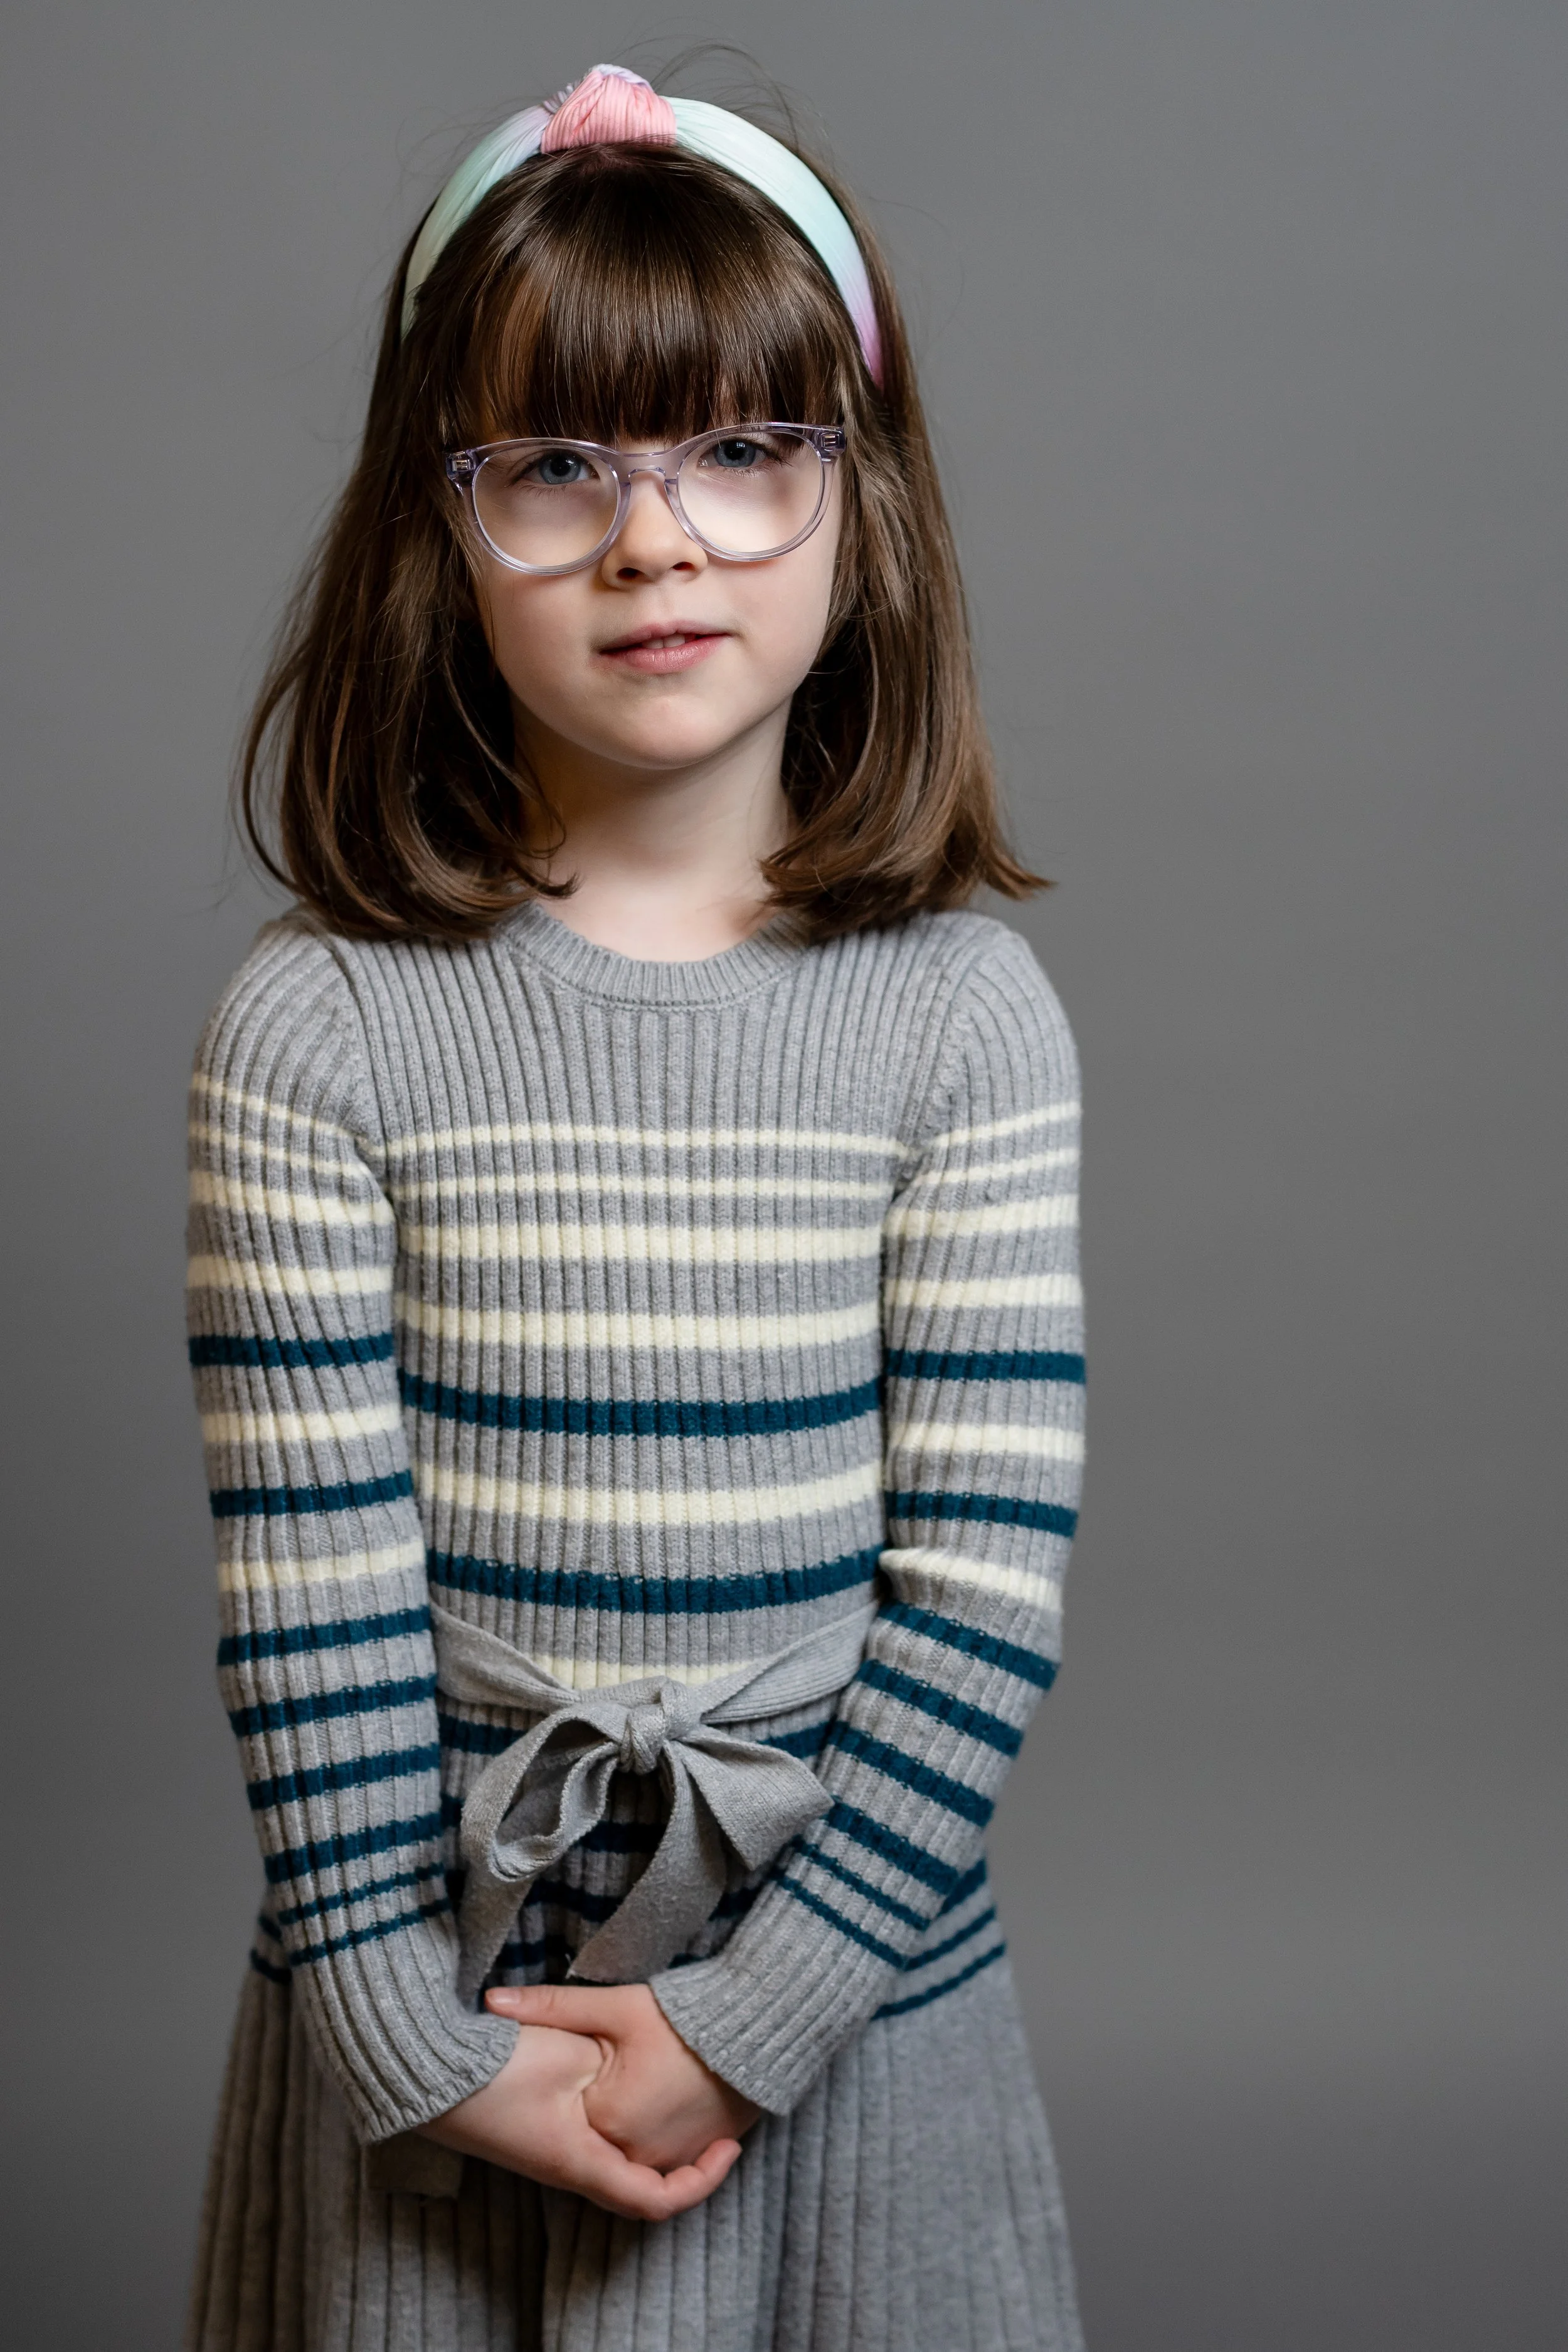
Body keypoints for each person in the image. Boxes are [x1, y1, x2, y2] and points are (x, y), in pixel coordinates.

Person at [184, 61, 1088, 2352]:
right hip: (440, 2026)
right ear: (437, 526)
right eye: (555, 465)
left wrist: (753, 2016)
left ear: (862, 502)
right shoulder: (317, 1027)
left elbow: (978, 1596)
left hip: (850, 2023)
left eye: (741, 450)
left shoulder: (961, 1018)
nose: (653, 540)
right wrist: (412, 2037)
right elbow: (310, 1607)